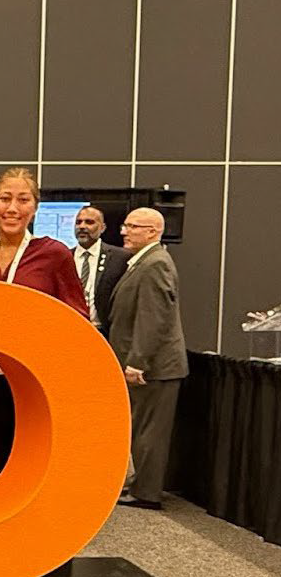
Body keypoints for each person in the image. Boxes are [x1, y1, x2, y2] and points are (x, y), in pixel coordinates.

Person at [0, 168, 87, 484]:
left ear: (35, 208)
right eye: (5, 198)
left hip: (33, 379)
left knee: (31, 465)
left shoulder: (54, 254)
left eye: (23, 200)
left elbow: (76, 318)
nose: (13, 208)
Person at [110, 208, 188, 510]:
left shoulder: (155, 264)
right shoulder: (145, 261)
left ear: (153, 231)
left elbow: (153, 318)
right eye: (126, 225)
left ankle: (146, 493)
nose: (124, 231)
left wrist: (138, 362)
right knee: (143, 429)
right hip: (150, 365)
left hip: (154, 368)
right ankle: (142, 485)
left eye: (132, 226)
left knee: (150, 432)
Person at [72, 205, 128, 332]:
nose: (82, 226)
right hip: (70, 328)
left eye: (89, 222)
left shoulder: (120, 258)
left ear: (102, 228)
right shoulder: (64, 257)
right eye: (78, 222)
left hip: (103, 331)